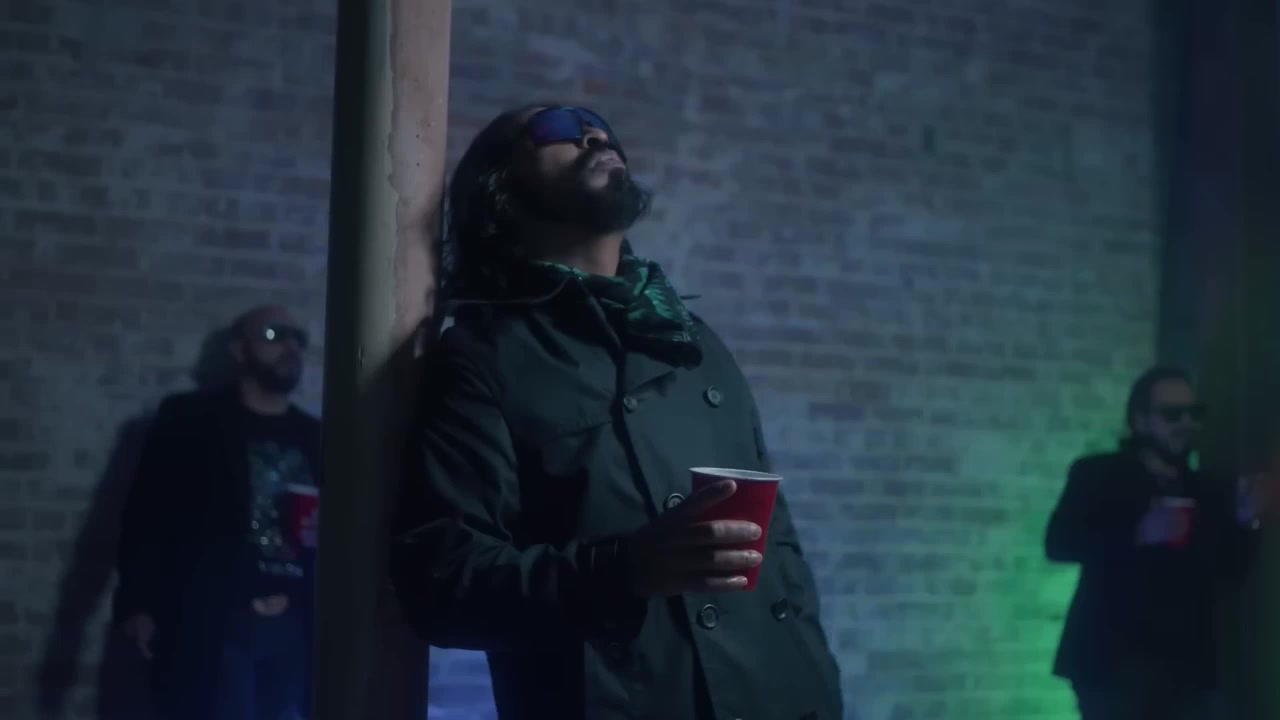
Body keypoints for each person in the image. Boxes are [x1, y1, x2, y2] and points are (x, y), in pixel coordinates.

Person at [390, 104, 843, 720]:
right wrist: (622, 570)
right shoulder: (484, 359)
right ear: (500, 192)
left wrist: (819, 695)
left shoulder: (694, 343)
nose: (593, 133)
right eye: (557, 127)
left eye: (598, 123)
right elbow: (443, 583)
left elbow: (781, 556)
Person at [114, 305, 321, 720]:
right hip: (216, 619)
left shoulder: (315, 436)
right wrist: (139, 603)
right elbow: (146, 514)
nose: (290, 347)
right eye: (274, 335)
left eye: (298, 338)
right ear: (239, 350)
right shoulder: (190, 420)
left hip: (295, 624)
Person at [1046, 366, 1267, 719]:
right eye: (1172, 414)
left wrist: (1247, 519)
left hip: (1187, 670)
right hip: (1111, 665)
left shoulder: (1206, 489)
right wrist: (1139, 534)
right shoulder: (1098, 474)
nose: (1186, 423)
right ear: (1140, 421)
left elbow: (1230, 570)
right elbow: (1060, 543)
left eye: (1194, 413)